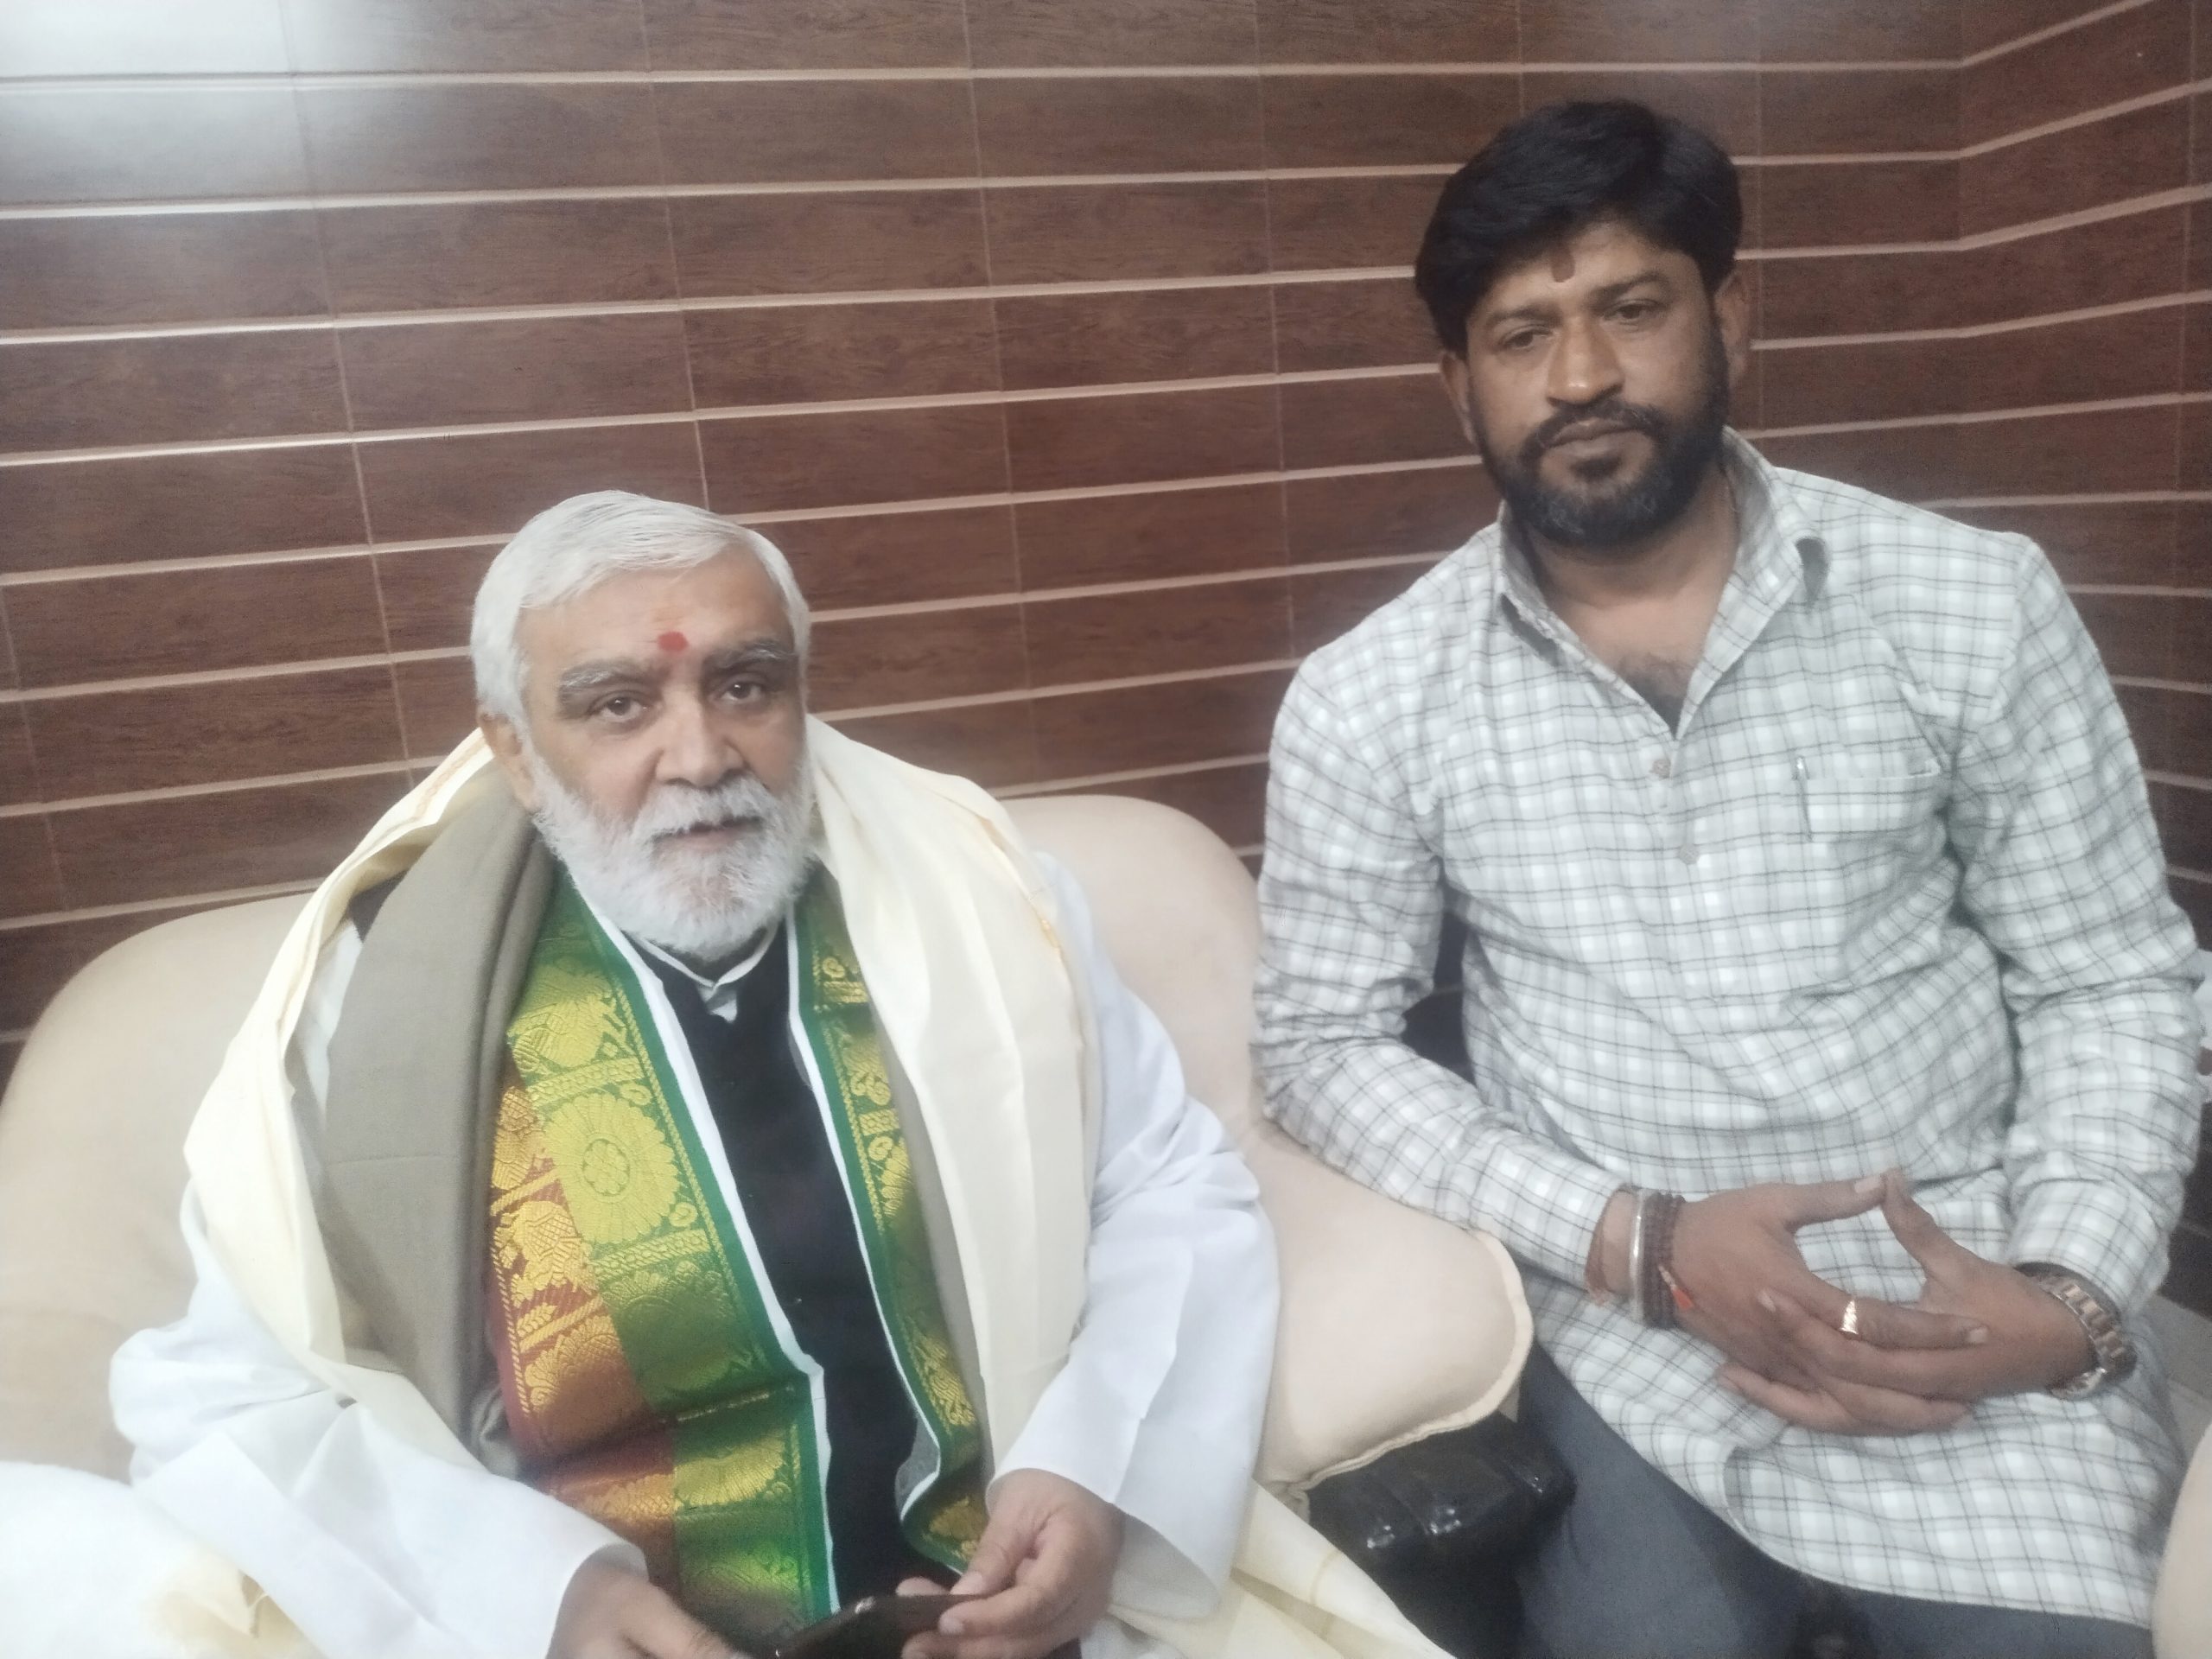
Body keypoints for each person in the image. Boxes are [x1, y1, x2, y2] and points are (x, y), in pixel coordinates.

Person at [110, 492, 1446, 1659]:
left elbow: (1166, 1188)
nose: (701, 758)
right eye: (619, 704)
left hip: (994, 1610)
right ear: (515, 750)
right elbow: (222, 1393)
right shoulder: (375, 1011)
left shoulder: (987, 904)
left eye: (745, 685)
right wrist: (540, 1598)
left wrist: (1092, 1474)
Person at [1254, 100, 2209, 1659]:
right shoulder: (1372, 698)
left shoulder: (1969, 602)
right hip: (1637, 1343)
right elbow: (1318, 1046)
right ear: (1458, 384)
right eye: (1522, 335)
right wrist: (1635, 1236)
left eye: (1631, 308)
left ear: (1730, 317)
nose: (1581, 376)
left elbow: (2109, 975)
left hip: (1967, 1287)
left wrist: (2072, 1293)